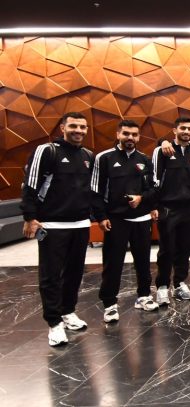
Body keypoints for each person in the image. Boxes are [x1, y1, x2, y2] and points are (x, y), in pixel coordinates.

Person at [21, 112, 93, 346]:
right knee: (50, 276)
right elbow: (30, 185)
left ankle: (68, 311)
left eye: (82, 127)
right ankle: (54, 323)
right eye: (73, 126)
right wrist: (30, 217)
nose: (78, 130)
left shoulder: (87, 155)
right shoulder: (47, 150)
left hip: (80, 224)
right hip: (52, 225)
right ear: (62, 127)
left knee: (74, 273)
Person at [91, 119, 158, 323]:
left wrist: (142, 199)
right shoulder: (104, 158)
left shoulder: (145, 159)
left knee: (143, 261)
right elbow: (95, 191)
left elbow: (152, 188)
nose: (130, 137)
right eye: (126, 133)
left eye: (134, 134)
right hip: (116, 219)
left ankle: (144, 296)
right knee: (113, 263)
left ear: (138, 137)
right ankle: (110, 304)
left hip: (141, 219)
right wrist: (101, 217)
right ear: (118, 134)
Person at [152, 117, 190, 303]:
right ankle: (162, 286)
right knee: (167, 250)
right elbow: (154, 180)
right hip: (168, 209)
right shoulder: (162, 151)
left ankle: (179, 284)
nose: (186, 132)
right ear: (174, 130)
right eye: (183, 128)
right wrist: (155, 206)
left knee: (185, 249)